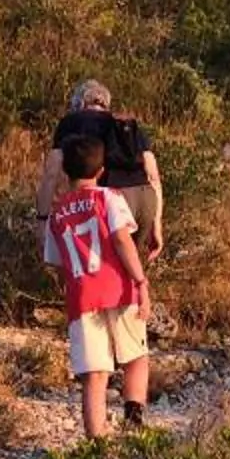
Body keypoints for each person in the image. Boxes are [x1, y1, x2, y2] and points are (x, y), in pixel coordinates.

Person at [45, 130, 153, 438]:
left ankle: (97, 441)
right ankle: (134, 423)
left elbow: (55, 260)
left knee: (95, 374)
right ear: (102, 170)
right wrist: (141, 281)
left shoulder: (57, 213)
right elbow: (121, 240)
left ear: (65, 171)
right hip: (119, 290)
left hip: (82, 299)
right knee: (135, 356)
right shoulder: (109, 198)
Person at [39, 77, 164, 262]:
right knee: (129, 265)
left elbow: (51, 173)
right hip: (146, 200)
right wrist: (157, 224)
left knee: (102, 267)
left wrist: (42, 219)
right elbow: (154, 177)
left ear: (79, 103)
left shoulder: (71, 122)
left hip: (114, 199)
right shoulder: (127, 125)